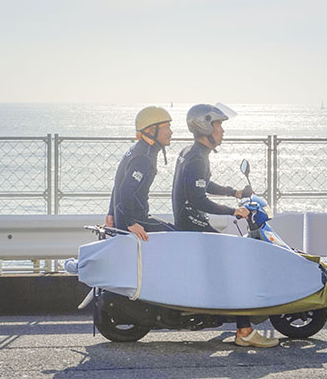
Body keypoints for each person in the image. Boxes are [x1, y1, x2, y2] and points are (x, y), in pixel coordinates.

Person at [171, 103, 279, 348]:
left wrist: (234, 192)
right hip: (193, 223)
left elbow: (203, 185)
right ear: (206, 126)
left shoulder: (193, 152)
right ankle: (244, 331)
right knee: (235, 267)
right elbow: (199, 198)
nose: (222, 130)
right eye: (219, 125)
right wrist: (234, 211)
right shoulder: (198, 158)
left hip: (190, 220)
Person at [106, 106, 174, 241]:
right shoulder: (144, 157)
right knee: (179, 235)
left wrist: (111, 214)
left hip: (128, 219)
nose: (171, 132)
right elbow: (126, 189)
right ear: (152, 130)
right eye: (166, 127)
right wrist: (131, 223)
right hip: (136, 221)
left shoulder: (138, 149)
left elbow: (118, 183)